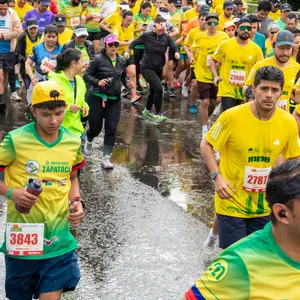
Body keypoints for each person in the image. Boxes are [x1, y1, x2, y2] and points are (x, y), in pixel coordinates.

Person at [0, 80, 85, 300]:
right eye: (46, 114)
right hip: (23, 242)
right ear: (33, 110)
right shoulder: (16, 141)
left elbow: (72, 177)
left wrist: (76, 201)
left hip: (58, 241)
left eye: (59, 112)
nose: (54, 120)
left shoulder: (73, 141)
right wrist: (12, 193)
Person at [200, 65, 300, 251]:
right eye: (264, 88)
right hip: (232, 201)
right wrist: (217, 177)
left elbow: (293, 162)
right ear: (254, 89)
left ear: (281, 92)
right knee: (236, 258)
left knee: (257, 258)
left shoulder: (288, 123)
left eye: (274, 90)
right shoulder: (231, 117)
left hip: (264, 205)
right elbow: (206, 144)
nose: (269, 94)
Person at [184, 159, 300, 299]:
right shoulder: (240, 262)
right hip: (232, 205)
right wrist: (217, 176)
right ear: (283, 213)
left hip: (260, 209)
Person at [83, 34, 133, 169]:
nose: (113, 47)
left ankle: (106, 158)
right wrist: (97, 82)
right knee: (96, 128)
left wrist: (128, 83)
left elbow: (122, 76)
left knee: (111, 128)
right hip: (96, 97)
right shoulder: (97, 59)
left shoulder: (122, 60)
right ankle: (89, 139)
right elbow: (86, 75)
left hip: (114, 99)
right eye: (110, 45)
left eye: (116, 45)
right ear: (105, 45)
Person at [124, 15, 180, 122]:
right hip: (146, 67)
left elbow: (173, 47)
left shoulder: (166, 37)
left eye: (163, 29)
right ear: (154, 26)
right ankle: (158, 113)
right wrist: (127, 51)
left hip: (158, 68)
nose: (161, 32)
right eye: (159, 29)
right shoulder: (147, 35)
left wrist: (176, 53)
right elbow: (134, 42)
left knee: (154, 90)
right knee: (159, 88)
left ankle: (148, 110)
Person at [209, 17, 263, 111]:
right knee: (229, 116)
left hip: (246, 90)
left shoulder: (256, 49)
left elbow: (261, 69)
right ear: (237, 29)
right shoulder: (225, 45)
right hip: (228, 89)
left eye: (249, 28)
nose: (246, 30)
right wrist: (215, 76)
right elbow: (213, 60)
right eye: (242, 28)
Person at [190, 13, 228, 137]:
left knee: (215, 100)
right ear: (205, 24)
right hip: (202, 73)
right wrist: (191, 58)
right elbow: (193, 49)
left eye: (215, 23)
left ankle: (207, 118)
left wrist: (222, 61)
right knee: (204, 102)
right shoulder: (199, 37)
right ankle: (204, 128)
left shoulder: (224, 37)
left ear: (218, 24)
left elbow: (227, 52)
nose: (212, 25)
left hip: (217, 73)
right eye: (210, 23)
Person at [245, 30, 300, 113]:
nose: (285, 52)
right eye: (281, 48)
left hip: (284, 116)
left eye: (288, 48)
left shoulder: (297, 68)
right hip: (262, 114)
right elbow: (247, 87)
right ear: (273, 46)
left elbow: (295, 96)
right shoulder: (260, 65)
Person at [48, 48, 89, 139]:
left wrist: (85, 107)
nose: (83, 65)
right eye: (81, 61)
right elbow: (48, 106)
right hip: (58, 130)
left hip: (76, 131)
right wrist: (67, 107)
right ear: (74, 63)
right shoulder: (55, 81)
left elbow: (82, 100)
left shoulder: (80, 80)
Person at [25, 24, 62, 105]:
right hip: (39, 79)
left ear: (57, 37)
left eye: (53, 37)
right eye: (48, 36)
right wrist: (32, 78)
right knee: (33, 102)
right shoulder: (37, 48)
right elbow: (28, 64)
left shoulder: (61, 48)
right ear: (44, 36)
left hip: (55, 80)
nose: (51, 39)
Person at [114, 10, 141, 103]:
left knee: (133, 72)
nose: (129, 23)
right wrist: (127, 43)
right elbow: (115, 42)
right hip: (118, 54)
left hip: (129, 52)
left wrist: (131, 44)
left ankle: (134, 95)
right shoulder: (117, 28)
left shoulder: (132, 26)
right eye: (128, 20)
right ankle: (123, 88)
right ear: (123, 19)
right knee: (119, 74)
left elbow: (132, 38)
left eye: (131, 20)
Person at [0, 0, 22, 113]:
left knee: (4, 76)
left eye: (5, 9)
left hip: (8, 51)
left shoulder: (12, 14)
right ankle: (1, 100)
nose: (3, 11)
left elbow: (19, 31)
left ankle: (2, 97)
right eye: (0, 9)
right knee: (0, 76)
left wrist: (4, 36)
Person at [16, 17, 42, 89]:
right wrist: (26, 61)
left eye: (35, 28)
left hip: (39, 68)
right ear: (27, 29)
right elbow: (17, 53)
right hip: (26, 68)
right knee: (29, 89)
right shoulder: (23, 37)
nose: (33, 31)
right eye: (31, 29)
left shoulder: (41, 36)